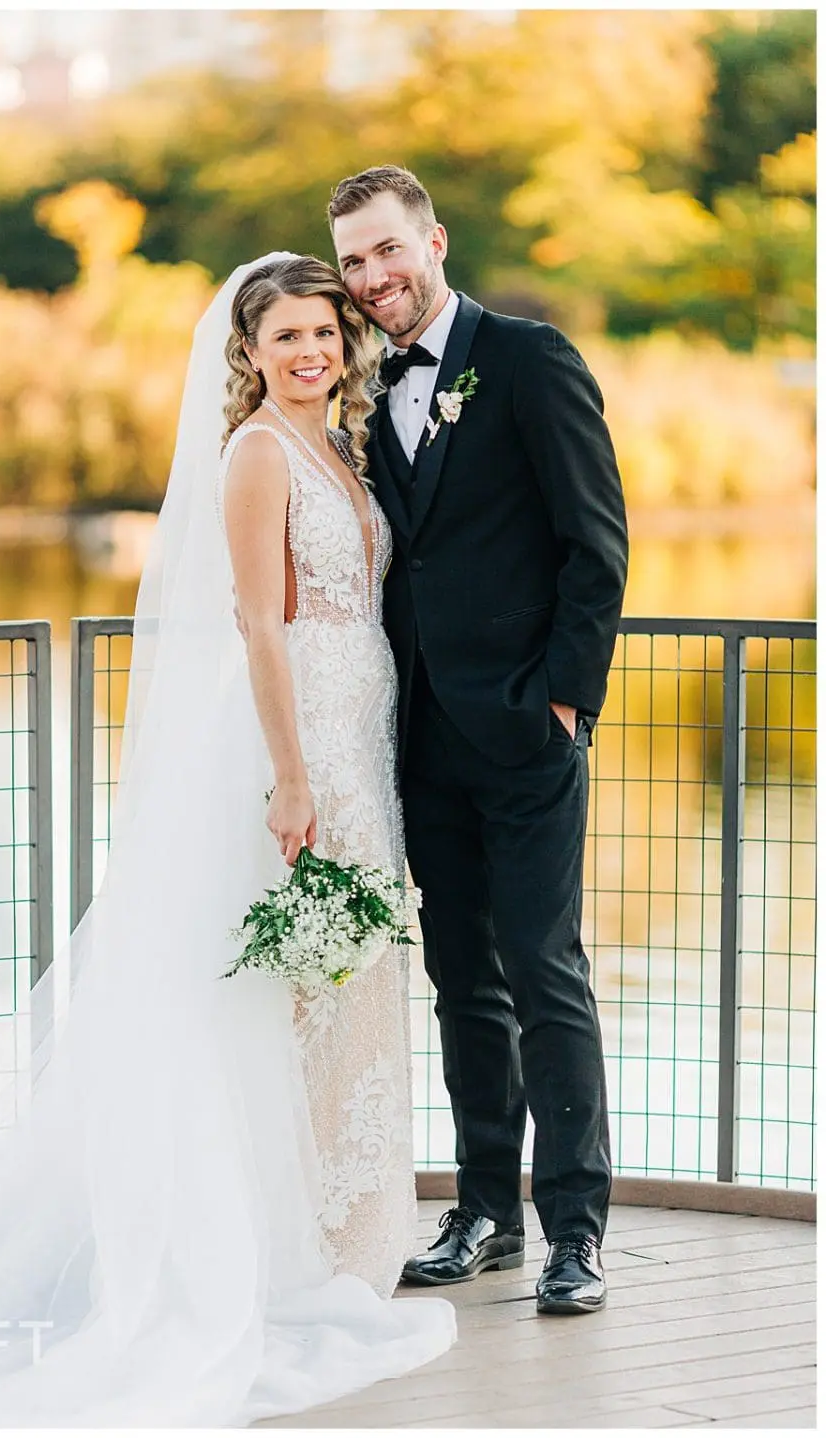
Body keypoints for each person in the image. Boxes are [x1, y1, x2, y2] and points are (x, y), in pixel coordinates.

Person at [0, 253, 454, 1427]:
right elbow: (259, 624)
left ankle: (346, 1233)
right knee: (283, 988)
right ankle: (284, 1247)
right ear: (249, 352)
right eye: (286, 336)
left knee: (345, 983)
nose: (310, 352)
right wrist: (291, 777)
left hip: (362, 733)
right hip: (296, 743)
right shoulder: (257, 454)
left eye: (323, 332)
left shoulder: (340, 447)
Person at [329, 164, 626, 1315]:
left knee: (546, 971)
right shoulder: (361, 388)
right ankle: (487, 1211)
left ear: (435, 241)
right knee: (460, 979)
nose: (374, 277)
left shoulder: (530, 360)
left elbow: (595, 543)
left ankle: (576, 1232)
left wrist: (564, 701)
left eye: (387, 250)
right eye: (354, 261)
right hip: (417, 740)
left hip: (524, 727)